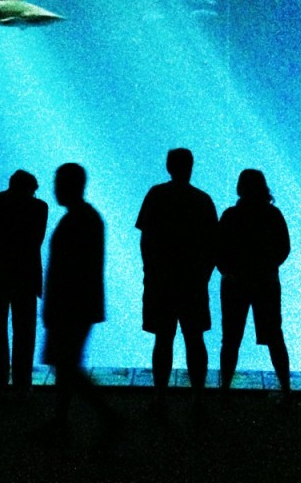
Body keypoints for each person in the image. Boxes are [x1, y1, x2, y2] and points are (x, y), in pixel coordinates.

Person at [38, 163, 118, 443]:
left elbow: (67, 270)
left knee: (66, 364)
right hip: (78, 305)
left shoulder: (78, 219)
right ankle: (62, 420)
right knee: (66, 364)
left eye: (59, 183)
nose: (55, 188)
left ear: (72, 185)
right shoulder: (86, 217)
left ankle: (108, 415)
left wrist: (52, 305)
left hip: (70, 306)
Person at [135, 148, 218, 413]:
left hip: (161, 282)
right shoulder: (203, 200)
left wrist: (149, 272)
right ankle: (197, 398)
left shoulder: (156, 195)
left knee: (163, 339)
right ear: (191, 166)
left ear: (168, 167)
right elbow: (212, 247)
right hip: (193, 283)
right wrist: (203, 277)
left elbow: (145, 239)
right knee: (195, 339)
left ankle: (159, 397)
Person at [217, 169, 292, 406]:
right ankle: (287, 392)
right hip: (266, 283)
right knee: (274, 337)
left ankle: (225, 392)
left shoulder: (230, 216)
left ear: (240, 188)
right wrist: (266, 268)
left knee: (230, 339)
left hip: (234, 284)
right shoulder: (273, 215)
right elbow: (284, 248)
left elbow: (217, 248)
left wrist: (229, 271)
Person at [0, 169, 48, 397]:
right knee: (24, 332)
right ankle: (22, 384)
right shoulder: (38, 207)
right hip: (24, 277)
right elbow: (34, 241)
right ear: (31, 189)